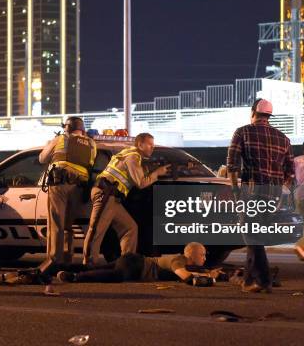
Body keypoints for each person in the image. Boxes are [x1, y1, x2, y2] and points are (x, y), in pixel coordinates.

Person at [227, 98, 294, 293]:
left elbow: (232, 164)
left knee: (250, 234)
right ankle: (249, 281)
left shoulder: (243, 132)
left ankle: (264, 280)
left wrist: (235, 190)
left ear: (253, 112)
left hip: (252, 190)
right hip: (274, 193)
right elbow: (290, 171)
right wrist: (281, 193)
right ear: (269, 116)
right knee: (256, 234)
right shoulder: (283, 138)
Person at [82, 133, 170, 267]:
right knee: (96, 230)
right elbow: (141, 183)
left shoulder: (130, 155)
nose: (152, 148)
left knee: (130, 228)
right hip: (106, 194)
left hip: (113, 198)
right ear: (140, 144)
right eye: (149, 145)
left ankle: (127, 263)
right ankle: (88, 264)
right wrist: (157, 173)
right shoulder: (133, 157)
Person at [37, 117, 97, 276]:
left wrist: (49, 144)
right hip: (78, 187)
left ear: (67, 128)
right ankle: (67, 259)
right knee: (68, 226)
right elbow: (90, 165)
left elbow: (42, 158)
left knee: (56, 224)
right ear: (82, 129)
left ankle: (53, 261)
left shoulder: (61, 139)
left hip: (60, 184)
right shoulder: (92, 144)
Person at [58, 242, 214, 285]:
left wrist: (206, 273)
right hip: (136, 266)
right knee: (112, 276)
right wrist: (208, 279)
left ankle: (61, 267)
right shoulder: (179, 261)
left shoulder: (182, 261)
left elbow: (188, 272)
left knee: (96, 268)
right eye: (202, 254)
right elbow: (186, 277)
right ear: (192, 255)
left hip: (134, 260)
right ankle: (74, 277)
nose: (205, 258)